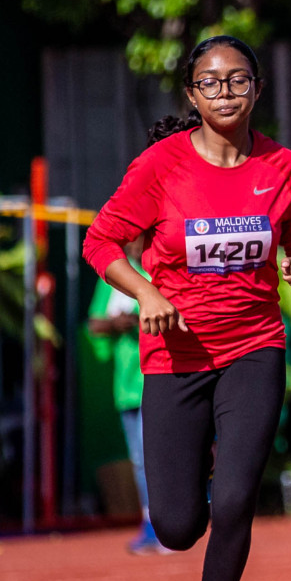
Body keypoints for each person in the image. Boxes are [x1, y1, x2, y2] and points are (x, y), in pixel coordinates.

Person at [84, 35, 291, 581]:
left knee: (240, 497)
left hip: (254, 346)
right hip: (175, 356)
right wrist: (147, 294)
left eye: (238, 80)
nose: (226, 92)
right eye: (211, 83)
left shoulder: (285, 168)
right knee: (178, 524)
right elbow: (100, 240)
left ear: (257, 88)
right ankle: (193, 484)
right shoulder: (161, 166)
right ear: (192, 95)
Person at [86, 236, 165, 554]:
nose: (132, 243)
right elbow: (94, 324)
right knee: (139, 461)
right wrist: (118, 323)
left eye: (138, 235)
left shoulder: (161, 270)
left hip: (158, 377)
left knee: (155, 457)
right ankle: (151, 524)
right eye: (127, 237)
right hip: (127, 384)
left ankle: (166, 524)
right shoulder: (115, 274)